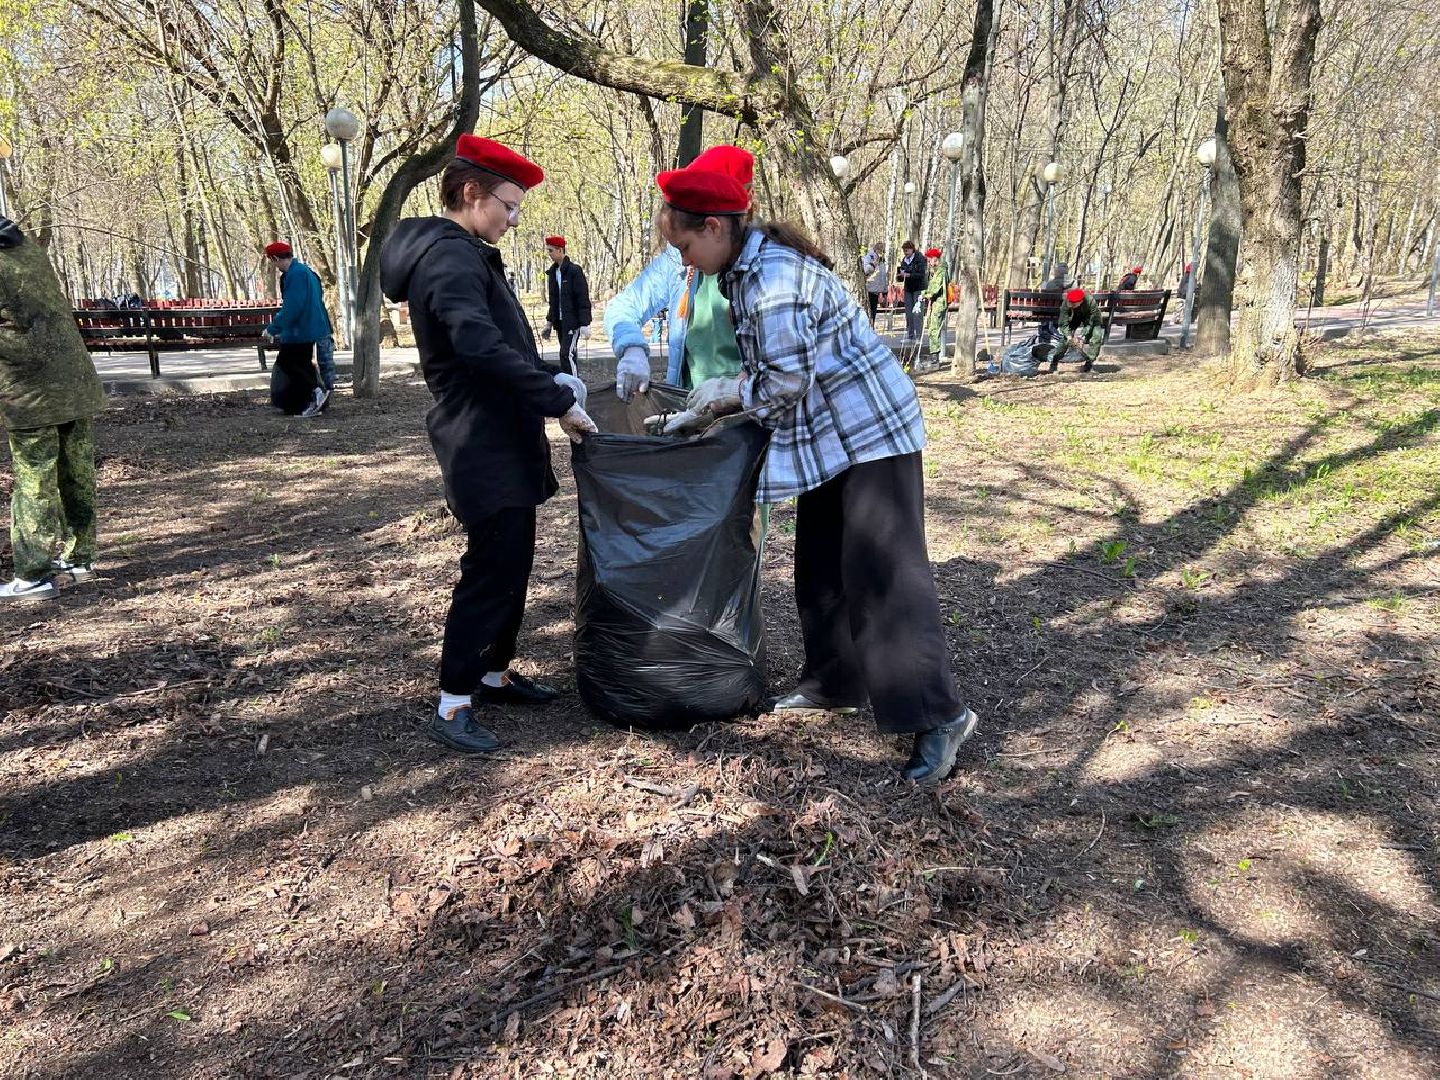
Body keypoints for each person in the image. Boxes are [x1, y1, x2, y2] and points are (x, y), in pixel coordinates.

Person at [657, 168, 979, 785]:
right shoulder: (744, 272)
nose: (687, 263)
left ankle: (940, 716)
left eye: (686, 247)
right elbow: (776, 377)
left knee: (885, 578)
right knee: (821, 565)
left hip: (869, 437)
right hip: (828, 439)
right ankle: (835, 682)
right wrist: (713, 401)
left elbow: (782, 383)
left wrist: (719, 401)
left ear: (716, 228)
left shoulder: (774, 279)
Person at [380, 134, 597, 754]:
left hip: (500, 431)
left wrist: (549, 377)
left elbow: (501, 340)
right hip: (481, 438)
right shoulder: (448, 256)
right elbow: (475, 345)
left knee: (514, 560)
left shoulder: (466, 250)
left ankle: (492, 673)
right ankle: (453, 704)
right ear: (471, 192)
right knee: (491, 568)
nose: (513, 216)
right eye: (509, 202)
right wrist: (555, 399)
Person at [0, 217, 105, 601]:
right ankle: (80, 559)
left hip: (30, 390)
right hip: (74, 380)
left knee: (34, 480)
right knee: (76, 472)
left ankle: (34, 574)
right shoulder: (26, 247)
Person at [606, 144, 755, 401]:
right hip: (689, 408)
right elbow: (623, 307)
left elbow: (784, 377)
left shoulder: (765, 271)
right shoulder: (678, 262)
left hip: (748, 415)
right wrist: (632, 348)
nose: (687, 260)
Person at [263, 242, 332, 416]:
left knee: (290, 364)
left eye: (273, 261)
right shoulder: (306, 271)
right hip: (307, 327)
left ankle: (317, 393)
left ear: (276, 258)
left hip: (300, 330)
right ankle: (309, 401)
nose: (274, 265)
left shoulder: (295, 274)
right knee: (301, 364)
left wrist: (273, 328)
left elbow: (293, 306)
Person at [541, 236, 592, 374]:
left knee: (566, 355)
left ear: (560, 250)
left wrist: (585, 324)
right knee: (570, 354)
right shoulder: (552, 273)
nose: (549, 254)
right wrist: (549, 323)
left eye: (551, 250)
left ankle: (574, 387)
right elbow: (553, 301)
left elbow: (582, 298)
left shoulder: (574, 271)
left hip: (572, 322)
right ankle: (572, 387)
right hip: (560, 323)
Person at [1048, 287, 1104, 373]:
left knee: (1097, 336)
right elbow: (1063, 322)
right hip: (1073, 317)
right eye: (1071, 303)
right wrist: (1068, 335)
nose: (1072, 305)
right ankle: (1054, 362)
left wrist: (1083, 335)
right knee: (1065, 340)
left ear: (1081, 301)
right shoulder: (1066, 303)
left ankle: (1089, 364)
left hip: (1089, 317)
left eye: (1074, 304)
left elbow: (1091, 321)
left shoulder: (1090, 302)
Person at [919, 247, 949, 365]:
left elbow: (935, 288)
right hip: (934, 302)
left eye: (929, 259)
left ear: (935, 259)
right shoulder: (934, 271)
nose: (928, 262)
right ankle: (933, 354)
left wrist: (927, 295)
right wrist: (924, 293)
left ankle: (935, 357)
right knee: (930, 327)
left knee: (934, 329)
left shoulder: (941, 271)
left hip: (939, 303)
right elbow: (929, 286)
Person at [896, 241, 927, 342]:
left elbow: (921, 275)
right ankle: (910, 335)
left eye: (907, 250)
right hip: (908, 289)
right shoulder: (904, 260)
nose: (906, 253)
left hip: (918, 288)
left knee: (917, 312)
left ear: (912, 249)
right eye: (904, 251)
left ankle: (918, 336)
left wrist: (909, 275)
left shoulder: (920, 258)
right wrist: (900, 275)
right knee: (909, 312)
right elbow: (901, 277)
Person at [862, 242, 887, 323]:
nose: (882, 253)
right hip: (870, 289)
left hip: (877, 291)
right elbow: (865, 271)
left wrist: (884, 291)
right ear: (876, 249)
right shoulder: (868, 257)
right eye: (881, 251)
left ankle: (872, 330)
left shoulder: (882, 260)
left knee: (873, 313)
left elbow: (883, 276)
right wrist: (873, 264)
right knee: (869, 313)